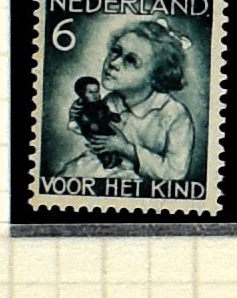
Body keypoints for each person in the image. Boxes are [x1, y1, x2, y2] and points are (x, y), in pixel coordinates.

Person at [69, 18, 197, 185]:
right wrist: (79, 116)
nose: (113, 63)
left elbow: (175, 173)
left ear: (156, 76)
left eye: (130, 60)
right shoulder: (110, 101)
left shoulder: (175, 116)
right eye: (115, 51)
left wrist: (127, 149)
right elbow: (93, 133)